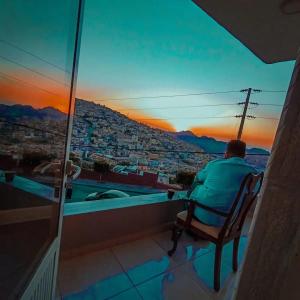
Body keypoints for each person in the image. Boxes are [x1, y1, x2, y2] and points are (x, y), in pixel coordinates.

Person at [187, 140, 257, 227]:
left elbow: (198, 177)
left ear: (226, 153)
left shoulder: (215, 164)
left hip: (204, 216)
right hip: (230, 220)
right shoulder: (252, 172)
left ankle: (188, 220)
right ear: (244, 155)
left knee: (196, 184)